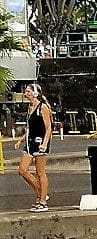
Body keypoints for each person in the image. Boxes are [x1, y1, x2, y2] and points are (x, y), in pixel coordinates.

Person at [14, 83, 53, 212]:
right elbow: (30, 129)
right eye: (26, 92)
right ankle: (41, 192)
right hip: (30, 142)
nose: (26, 94)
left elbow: (48, 128)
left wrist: (44, 144)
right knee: (22, 170)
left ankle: (42, 201)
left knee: (40, 172)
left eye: (28, 92)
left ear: (35, 93)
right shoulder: (30, 108)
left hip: (40, 142)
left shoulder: (43, 107)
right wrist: (21, 140)